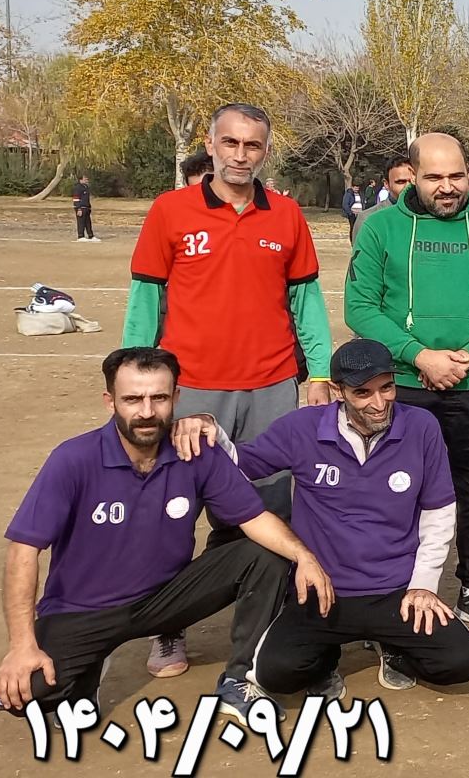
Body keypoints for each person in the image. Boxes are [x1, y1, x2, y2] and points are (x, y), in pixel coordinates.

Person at [0, 348, 332, 725]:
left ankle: (240, 680)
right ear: (110, 401)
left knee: (267, 553)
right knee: (27, 695)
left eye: (158, 397)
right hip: (83, 610)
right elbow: (23, 551)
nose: (146, 411)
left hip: (165, 598)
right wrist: (22, 646)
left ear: (176, 398)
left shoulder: (195, 451)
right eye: (132, 399)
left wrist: (304, 556)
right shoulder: (73, 459)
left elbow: (254, 518)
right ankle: (87, 674)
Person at [123, 103, 333, 679]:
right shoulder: (169, 211)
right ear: (211, 145)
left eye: (253, 145)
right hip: (190, 389)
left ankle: (263, 628)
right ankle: (167, 627)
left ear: (266, 150)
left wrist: (318, 373)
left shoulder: (287, 215)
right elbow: (145, 300)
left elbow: (306, 302)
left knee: (268, 512)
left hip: (271, 387)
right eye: (231, 143)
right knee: (173, 512)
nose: (241, 155)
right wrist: (135, 378)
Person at [173, 340, 469, 694]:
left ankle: (394, 644)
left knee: (462, 663)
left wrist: (423, 585)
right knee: (277, 673)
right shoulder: (302, 428)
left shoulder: (421, 426)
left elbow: (438, 512)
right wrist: (210, 428)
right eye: (363, 393)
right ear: (338, 391)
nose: (379, 403)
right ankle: (325, 657)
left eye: (386, 388)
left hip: (395, 591)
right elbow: (240, 465)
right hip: (322, 590)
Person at [345, 132, 469, 637]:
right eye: (434, 177)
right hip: (404, 386)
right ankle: (398, 589)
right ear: (412, 176)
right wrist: (420, 356)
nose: (448, 187)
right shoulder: (380, 228)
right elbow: (359, 307)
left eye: (456, 175)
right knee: (398, 493)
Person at [352, 156, 416, 244]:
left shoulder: (428, 218)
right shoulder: (368, 220)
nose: (408, 186)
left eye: (413, 181)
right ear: (386, 184)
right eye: (401, 182)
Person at [72, 174, 98, 242]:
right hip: (81, 208)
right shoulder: (78, 187)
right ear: (80, 180)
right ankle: (81, 236)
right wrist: (78, 208)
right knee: (81, 222)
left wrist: (89, 207)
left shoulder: (86, 187)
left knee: (88, 223)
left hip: (86, 208)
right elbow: (76, 199)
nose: (86, 180)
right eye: (85, 179)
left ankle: (91, 236)